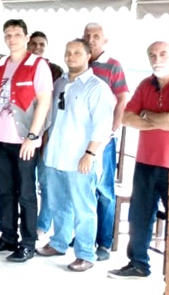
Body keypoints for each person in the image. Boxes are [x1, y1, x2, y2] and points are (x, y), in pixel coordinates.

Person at [36, 39, 115, 272]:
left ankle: (85, 254)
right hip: (55, 156)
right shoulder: (59, 83)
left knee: (84, 208)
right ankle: (59, 243)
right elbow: (52, 118)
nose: (71, 57)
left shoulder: (96, 87)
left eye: (77, 53)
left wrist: (90, 154)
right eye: (68, 53)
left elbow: (103, 125)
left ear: (88, 56)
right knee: (58, 204)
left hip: (81, 158)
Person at [0, 19, 52, 263]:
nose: (12, 38)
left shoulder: (37, 64)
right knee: (5, 191)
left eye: (17, 34)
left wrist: (33, 136)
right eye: (8, 34)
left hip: (24, 140)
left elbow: (44, 101)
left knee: (26, 193)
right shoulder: (1, 63)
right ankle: (8, 236)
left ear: (26, 36)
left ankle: (29, 243)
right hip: (0, 137)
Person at [108, 41, 169, 279]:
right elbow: (126, 117)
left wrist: (147, 116)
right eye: (152, 55)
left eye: (163, 53)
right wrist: (159, 119)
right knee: (139, 216)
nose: (157, 59)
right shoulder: (146, 84)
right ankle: (138, 264)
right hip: (145, 161)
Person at [83, 22, 128, 261]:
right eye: (88, 35)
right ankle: (82, 238)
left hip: (102, 141)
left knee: (104, 190)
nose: (91, 39)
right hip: (79, 139)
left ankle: (103, 243)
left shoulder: (113, 65)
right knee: (81, 189)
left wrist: (111, 130)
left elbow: (121, 99)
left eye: (96, 36)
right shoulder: (80, 62)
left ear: (105, 40)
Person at [28, 30, 64, 236]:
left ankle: (42, 224)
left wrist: (46, 133)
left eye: (42, 44)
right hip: (24, 131)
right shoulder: (22, 68)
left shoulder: (55, 70)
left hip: (46, 134)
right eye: (34, 44)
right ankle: (27, 220)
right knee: (26, 181)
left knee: (45, 181)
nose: (37, 48)